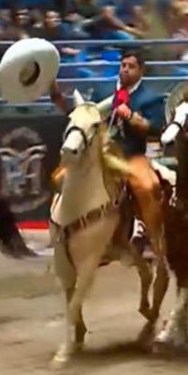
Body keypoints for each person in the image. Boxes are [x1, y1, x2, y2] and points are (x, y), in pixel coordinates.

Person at [50, 50, 166, 249]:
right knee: (59, 177)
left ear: (141, 70)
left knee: (146, 186)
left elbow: (156, 129)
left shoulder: (151, 98)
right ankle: (62, 223)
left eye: (131, 67)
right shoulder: (103, 90)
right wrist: (58, 97)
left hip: (130, 154)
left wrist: (131, 117)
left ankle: (151, 232)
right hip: (98, 153)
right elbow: (84, 114)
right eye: (123, 65)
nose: (126, 70)